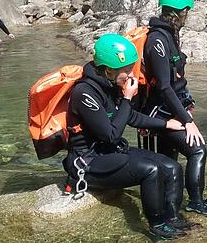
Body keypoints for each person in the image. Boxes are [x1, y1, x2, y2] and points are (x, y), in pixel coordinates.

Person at [64, 34, 194, 239]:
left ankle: (172, 218)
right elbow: (111, 135)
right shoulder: (84, 93)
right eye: (126, 70)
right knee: (150, 171)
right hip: (88, 160)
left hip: (109, 151)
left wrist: (166, 123)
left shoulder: (110, 85)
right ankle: (157, 224)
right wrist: (127, 97)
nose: (131, 75)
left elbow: (130, 116)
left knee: (172, 166)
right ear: (108, 70)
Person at [141, 0, 207, 216]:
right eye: (187, 11)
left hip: (171, 108)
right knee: (198, 150)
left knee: (170, 159)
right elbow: (165, 86)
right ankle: (196, 202)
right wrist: (186, 120)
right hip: (161, 111)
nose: (188, 15)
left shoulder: (170, 35)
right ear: (178, 13)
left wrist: (184, 108)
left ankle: (170, 204)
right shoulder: (158, 40)